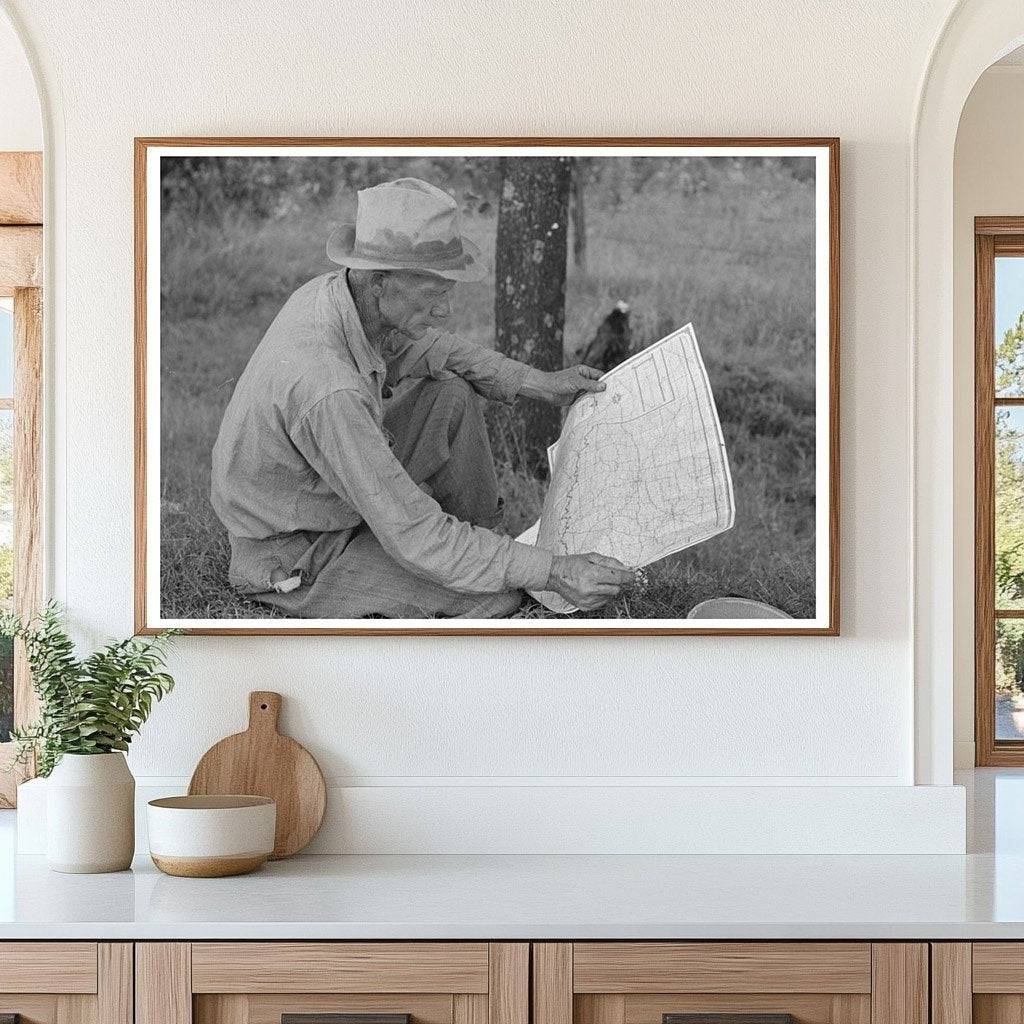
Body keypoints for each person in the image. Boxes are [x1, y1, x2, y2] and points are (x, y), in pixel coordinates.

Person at [210, 177, 634, 619]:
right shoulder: (328, 386)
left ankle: (477, 542)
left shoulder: (339, 294)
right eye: (432, 294)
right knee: (497, 595)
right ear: (379, 281)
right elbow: (411, 530)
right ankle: (472, 555)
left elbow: (440, 349)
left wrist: (539, 383)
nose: (445, 309)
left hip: (329, 496)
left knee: (449, 392)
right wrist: (551, 570)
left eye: (446, 292)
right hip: (296, 546)